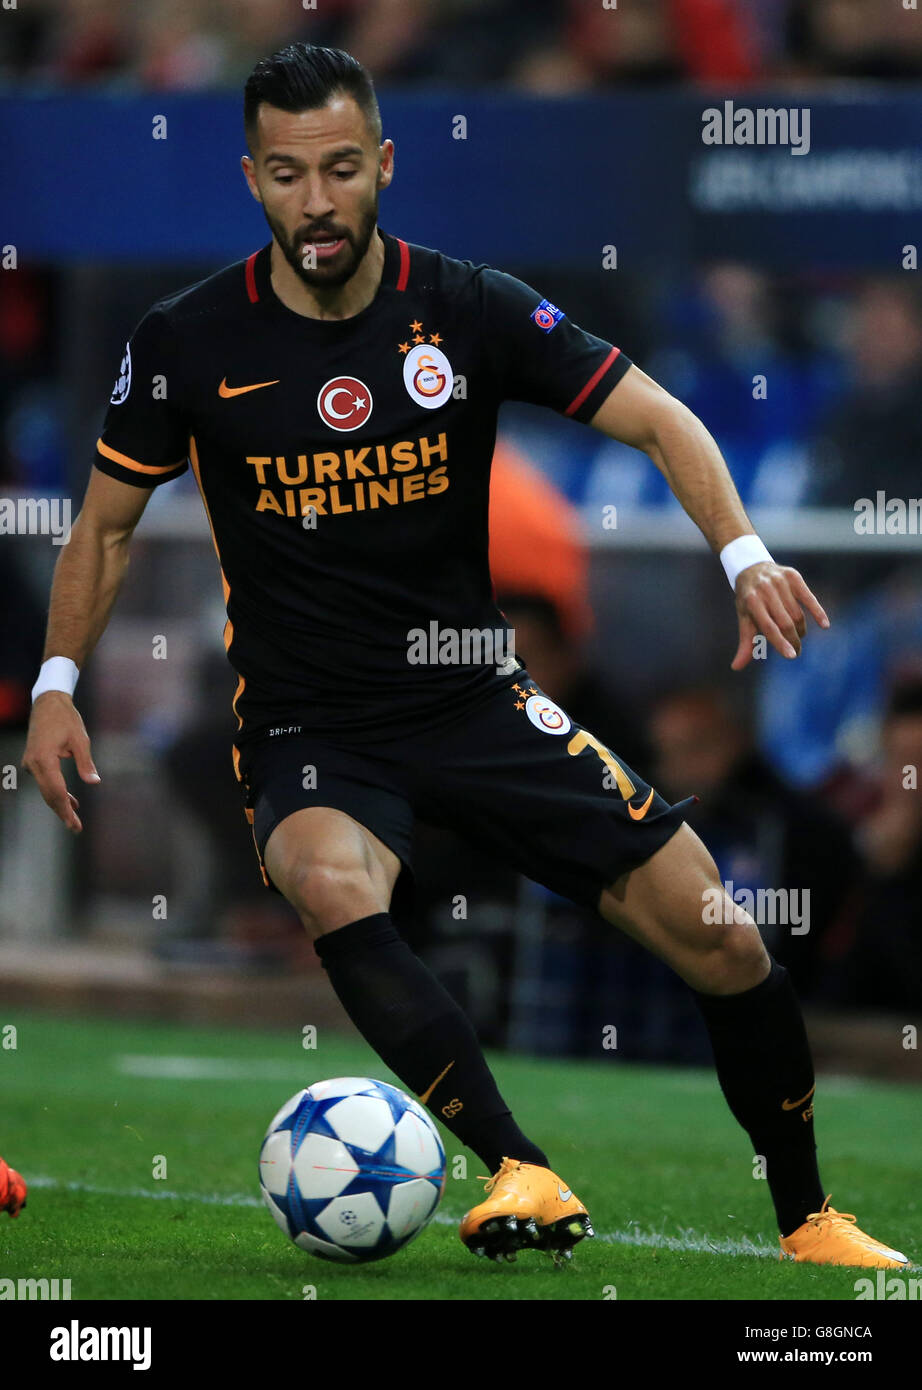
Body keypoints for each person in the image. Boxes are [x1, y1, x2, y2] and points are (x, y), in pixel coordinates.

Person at [20, 43, 909, 1269]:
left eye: (340, 168)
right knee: (334, 882)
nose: (317, 201)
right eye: (287, 175)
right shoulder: (186, 339)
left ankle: (808, 1218)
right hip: (307, 722)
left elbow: (660, 416)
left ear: (381, 163)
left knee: (723, 934)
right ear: (252, 180)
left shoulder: (468, 308)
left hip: (473, 699)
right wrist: (58, 686)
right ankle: (518, 1165)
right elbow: (106, 526)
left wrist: (743, 553)